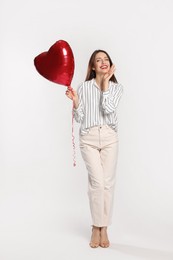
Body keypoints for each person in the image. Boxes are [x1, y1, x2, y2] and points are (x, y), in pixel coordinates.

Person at [65, 49, 123, 248]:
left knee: (107, 184)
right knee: (97, 183)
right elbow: (79, 118)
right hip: (88, 138)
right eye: (98, 60)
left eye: (106, 59)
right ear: (92, 66)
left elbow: (108, 109)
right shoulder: (83, 87)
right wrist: (75, 102)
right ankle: (96, 225)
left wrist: (106, 84)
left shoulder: (117, 88)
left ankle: (103, 227)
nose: (103, 62)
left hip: (109, 137)